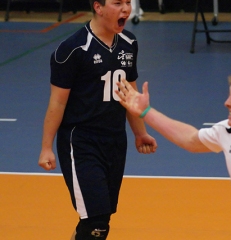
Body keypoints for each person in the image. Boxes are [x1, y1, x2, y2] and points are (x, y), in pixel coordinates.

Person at [38, 0, 157, 239]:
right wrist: (46, 147)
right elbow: (57, 102)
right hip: (81, 142)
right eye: (117, 3)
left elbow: (130, 94)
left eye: (127, 3)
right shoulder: (72, 50)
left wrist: (139, 132)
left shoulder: (129, 43)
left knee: (99, 218)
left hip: (114, 141)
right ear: (98, 7)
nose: (125, 9)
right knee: (97, 223)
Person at [116, 70, 231, 212]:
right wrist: (146, 112)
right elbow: (190, 140)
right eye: (230, 96)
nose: (227, 103)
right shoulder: (227, 130)